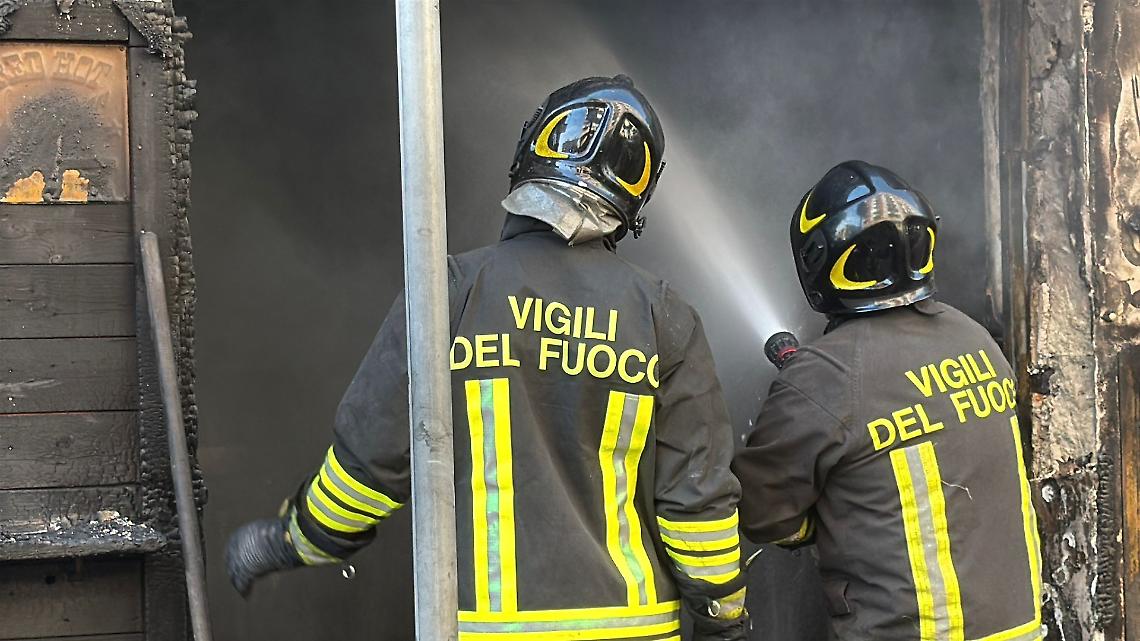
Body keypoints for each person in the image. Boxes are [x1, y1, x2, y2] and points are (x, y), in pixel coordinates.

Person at [226, 75, 748, 641]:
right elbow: (697, 503)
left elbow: (370, 463)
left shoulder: (450, 292)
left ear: (533, 147)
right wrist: (725, 622)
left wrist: (292, 541)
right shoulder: (664, 317)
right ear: (635, 196)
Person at [732, 161, 1043, 641]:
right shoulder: (975, 338)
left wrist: (835, 512)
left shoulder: (823, 375)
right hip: (1019, 629)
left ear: (820, 259)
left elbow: (762, 513)